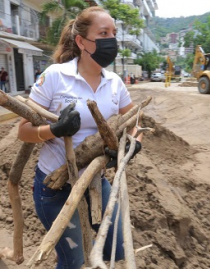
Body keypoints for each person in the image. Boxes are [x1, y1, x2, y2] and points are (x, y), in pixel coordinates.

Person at [17, 6, 142, 269]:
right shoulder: (55, 76)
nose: (112, 40)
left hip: (95, 179)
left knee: (117, 245)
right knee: (72, 260)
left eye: (114, 33)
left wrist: (129, 143)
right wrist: (54, 130)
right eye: (103, 33)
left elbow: (134, 119)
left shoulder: (115, 82)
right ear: (81, 41)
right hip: (55, 185)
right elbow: (23, 130)